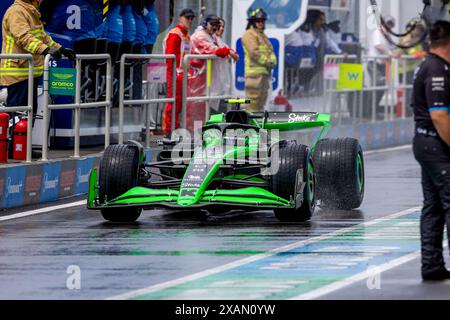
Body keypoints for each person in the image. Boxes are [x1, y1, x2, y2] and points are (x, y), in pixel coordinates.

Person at [412, 20, 450, 281]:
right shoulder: (437, 69)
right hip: (435, 145)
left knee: (434, 206)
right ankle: (432, 265)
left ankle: (432, 266)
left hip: (426, 143)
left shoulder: (429, 64)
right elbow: (439, 115)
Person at [0, 0, 75, 126]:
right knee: (18, 116)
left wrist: (59, 48)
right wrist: (45, 49)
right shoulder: (17, 11)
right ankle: (14, 145)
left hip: (29, 73)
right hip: (18, 73)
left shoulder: (30, 11)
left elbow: (43, 37)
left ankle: (25, 144)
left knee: (28, 115)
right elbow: (24, 37)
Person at [188, 15, 238, 129]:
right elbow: (215, 50)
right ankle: (195, 138)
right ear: (205, 23)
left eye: (218, 25)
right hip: (199, 82)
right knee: (197, 114)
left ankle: (207, 136)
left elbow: (225, 49)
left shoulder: (212, 37)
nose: (215, 28)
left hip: (210, 84)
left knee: (208, 114)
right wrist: (229, 52)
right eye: (213, 25)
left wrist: (230, 52)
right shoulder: (200, 36)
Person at [162, 8, 195, 134]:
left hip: (183, 74)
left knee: (180, 103)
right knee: (173, 101)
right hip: (175, 73)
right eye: (188, 18)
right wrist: (172, 74)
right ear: (181, 18)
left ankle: (175, 128)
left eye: (192, 18)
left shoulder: (186, 35)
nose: (190, 21)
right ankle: (169, 129)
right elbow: (170, 57)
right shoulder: (175, 34)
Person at [242, 8, 276, 113]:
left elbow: (271, 51)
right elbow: (253, 53)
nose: (261, 23)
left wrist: (273, 61)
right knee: (253, 101)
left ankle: (258, 123)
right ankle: (251, 124)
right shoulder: (249, 34)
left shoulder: (262, 35)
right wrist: (267, 62)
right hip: (254, 74)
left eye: (262, 21)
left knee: (262, 100)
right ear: (253, 21)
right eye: (258, 21)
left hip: (264, 73)